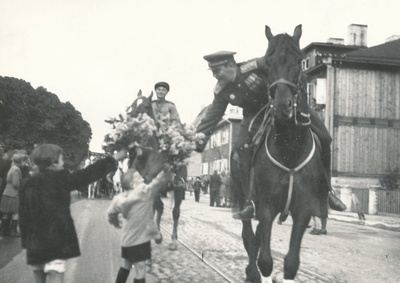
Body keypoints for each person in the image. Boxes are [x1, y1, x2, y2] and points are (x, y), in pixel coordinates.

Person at [195, 51, 345, 220]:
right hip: (254, 116)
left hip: (286, 104)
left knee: (325, 138)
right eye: (213, 72)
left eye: (217, 71)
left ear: (230, 65)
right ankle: (250, 202)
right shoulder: (222, 90)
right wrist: (196, 142)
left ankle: (327, 191)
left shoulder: (254, 66)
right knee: (241, 148)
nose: (215, 76)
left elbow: (282, 70)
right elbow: (212, 117)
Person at [19, 144, 127, 283]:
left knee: (38, 276)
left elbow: (23, 215)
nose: (63, 163)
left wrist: (26, 242)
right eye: (62, 159)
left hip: (35, 241)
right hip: (55, 240)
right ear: (54, 163)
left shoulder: (27, 184)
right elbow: (87, 174)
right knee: (55, 274)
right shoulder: (61, 179)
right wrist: (114, 158)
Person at [107, 166, 171, 283]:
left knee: (126, 265)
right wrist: (165, 171)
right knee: (140, 271)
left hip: (126, 241)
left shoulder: (118, 198)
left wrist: (116, 221)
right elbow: (156, 183)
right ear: (132, 185)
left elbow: (110, 213)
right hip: (139, 241)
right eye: (137, 177)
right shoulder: (143, 193)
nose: (141, 177)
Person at [0, 150, 28, 237]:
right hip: (14, 194)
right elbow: (15, 183)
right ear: (21, 161)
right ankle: (13, 231)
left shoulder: (12, 168)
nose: (25, 163)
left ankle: (3, 230)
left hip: (7, 193)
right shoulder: (16, 169)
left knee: (6, 212)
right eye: (24, 161)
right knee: (16, 212)